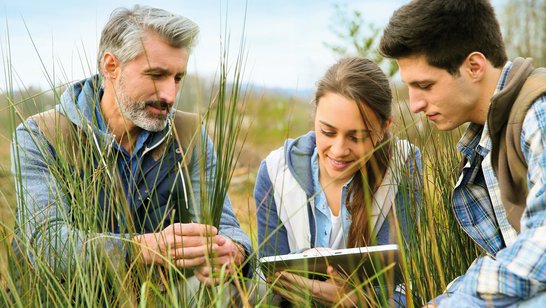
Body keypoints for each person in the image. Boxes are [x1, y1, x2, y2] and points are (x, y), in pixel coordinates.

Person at [10, 5, 252, 302]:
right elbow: (46, 243)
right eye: (156, 75)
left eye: (177, 78)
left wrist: (233, 252)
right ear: (111, 66)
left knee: (254, 290)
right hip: (63, 297)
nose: (170, 95)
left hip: (157, 296)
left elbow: (227, 226)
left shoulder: (190, 134)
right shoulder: (40, 135)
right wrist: (145, 248)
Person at [379, 0, 546, 307]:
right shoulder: (488, 140)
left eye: (425, 85)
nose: (414, 104)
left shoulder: (539, 115)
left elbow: (542, 254)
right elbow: (508, 258)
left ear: (474, 66)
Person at [254, 56, 422, 306]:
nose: (339, 150)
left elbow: (398, 284)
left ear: (384, 127)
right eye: (328, 132)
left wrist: (355, 301)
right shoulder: (274, 170)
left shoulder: (403, 165)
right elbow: (271, 283)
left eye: (357, 137)